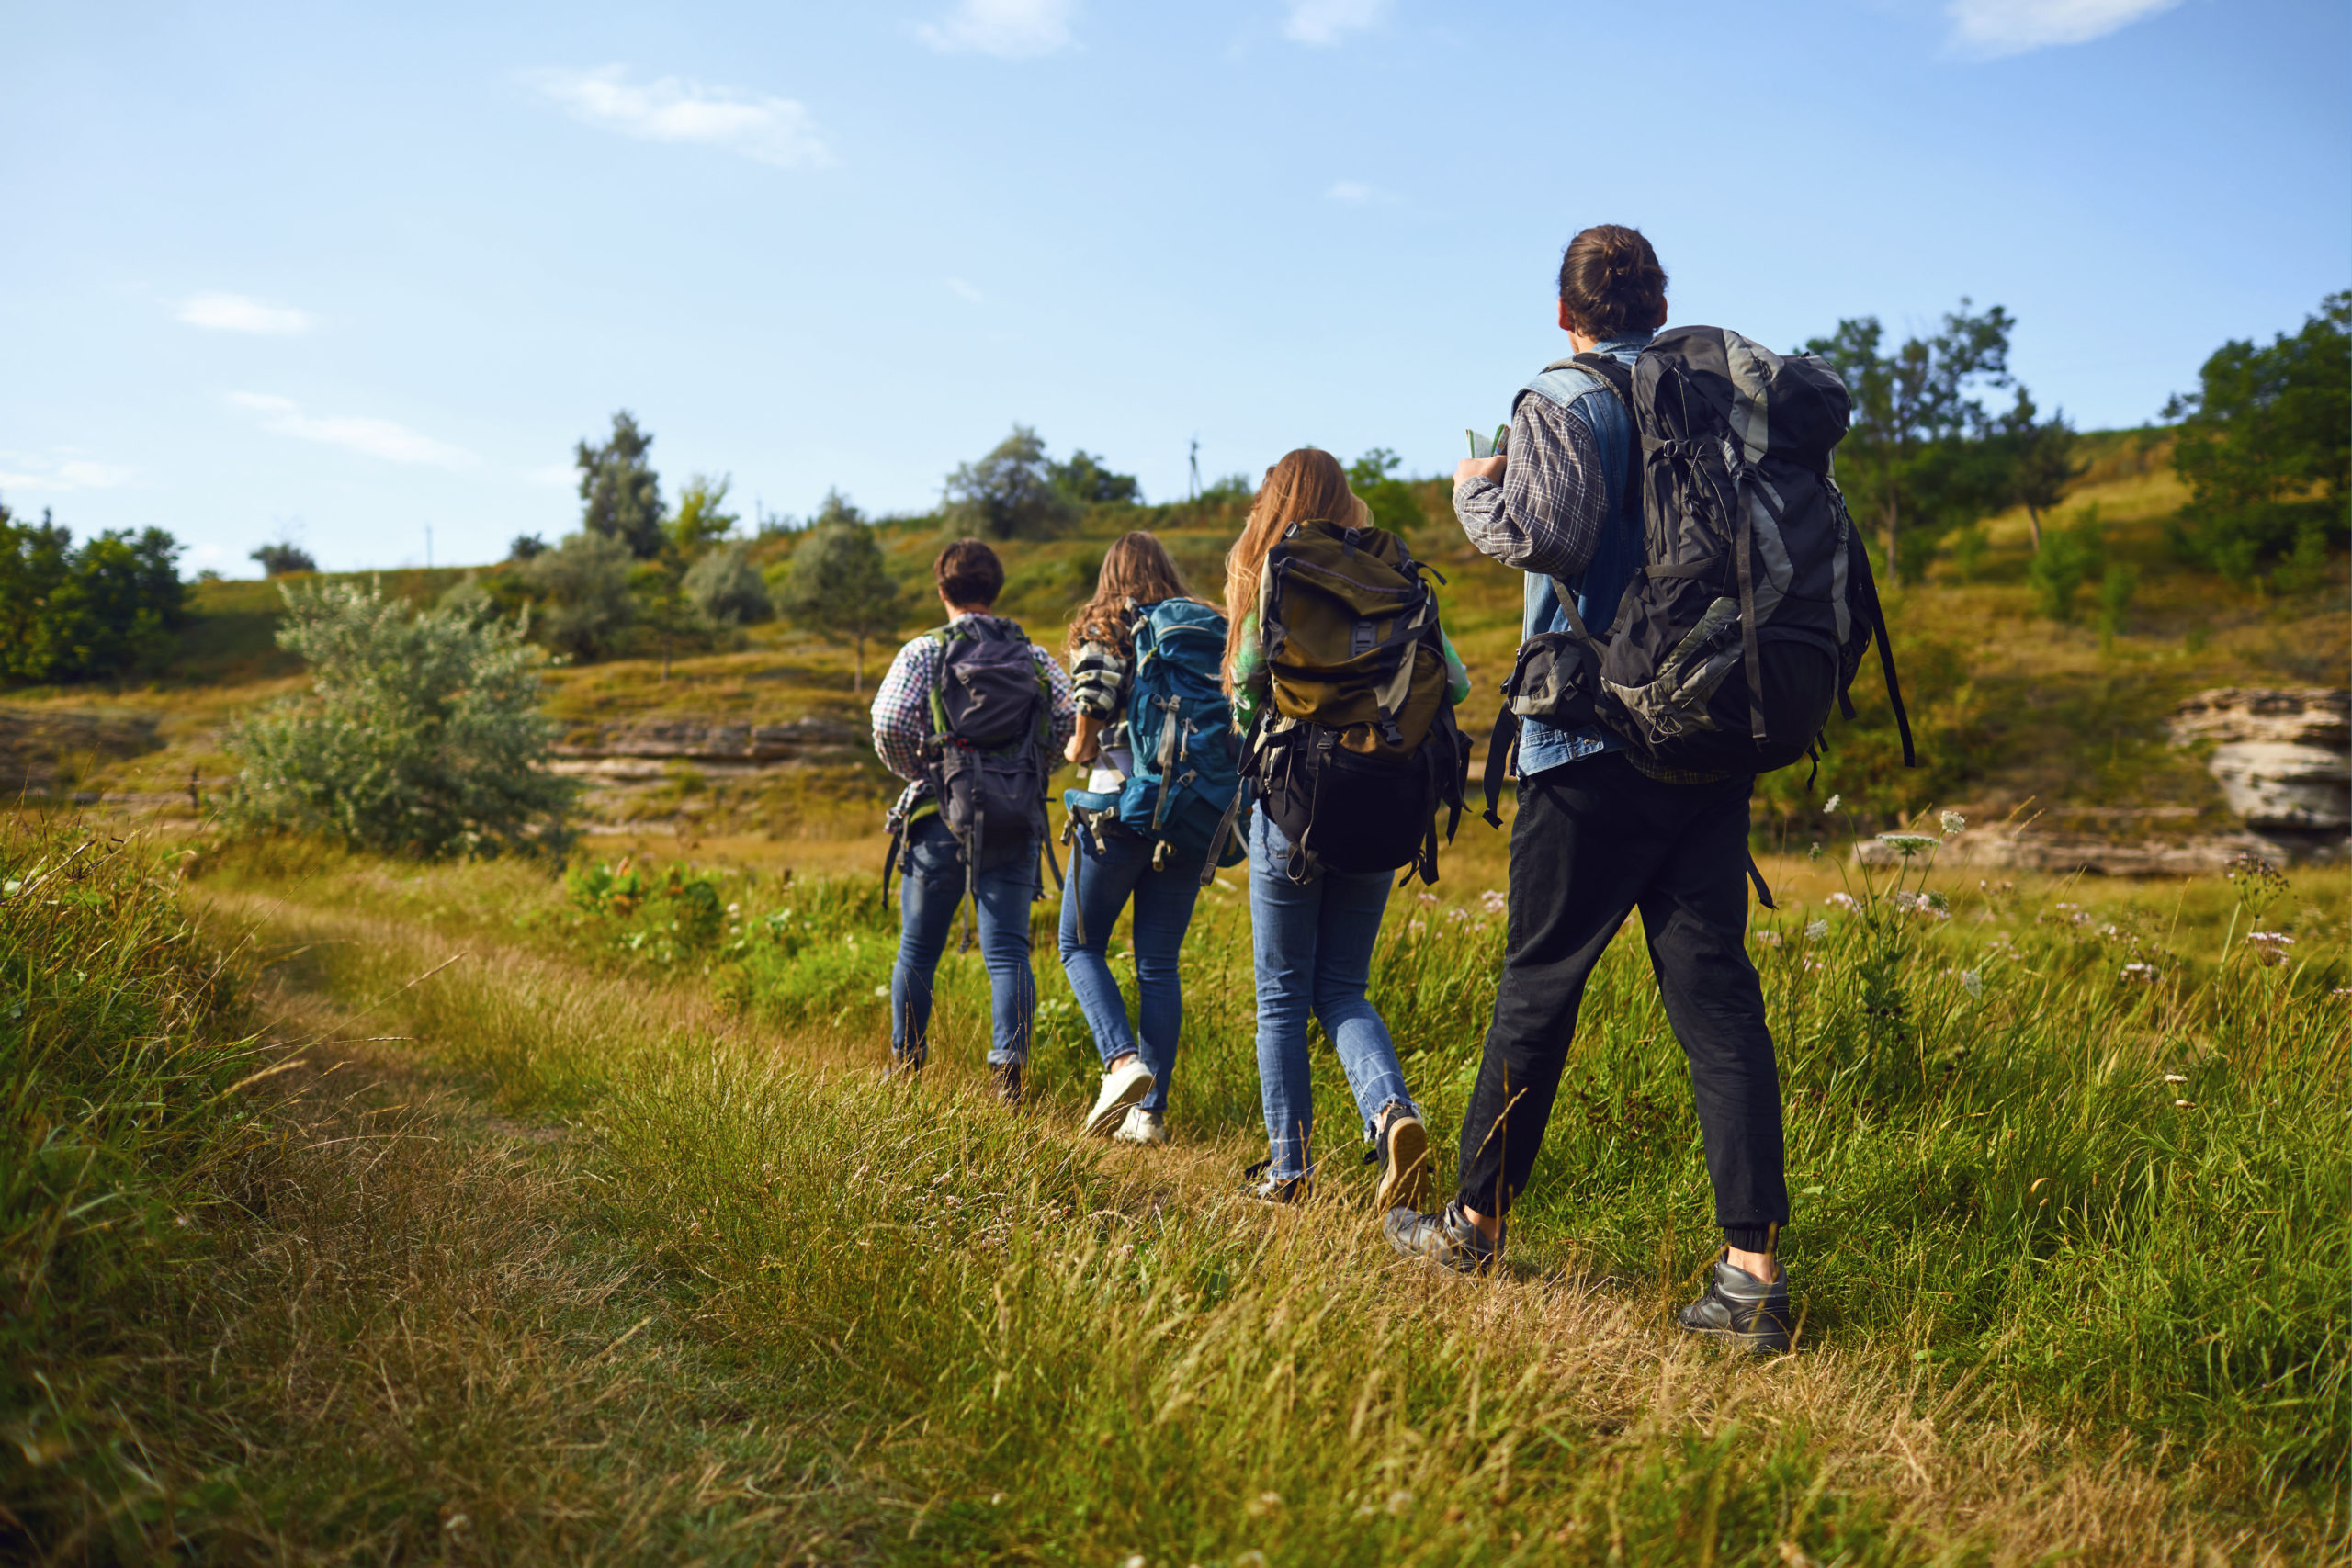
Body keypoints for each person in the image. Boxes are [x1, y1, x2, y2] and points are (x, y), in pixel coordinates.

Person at [1382, 225, 1796, 1353]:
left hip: (1589, 739)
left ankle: (1471, 1224)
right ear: (1657, 304)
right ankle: (1751, 1275)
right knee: (1715, 998)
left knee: (1538, 987)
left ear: (1566, 310)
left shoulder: (1565, 392)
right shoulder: (1711, 399)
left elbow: (1551, 534)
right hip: (1706, 736)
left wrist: (1476, 491)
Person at [1225, 448, 1469, 1207]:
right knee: (1341, 987)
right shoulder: (1390, 572)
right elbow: (1454, 682)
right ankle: (1392, 1111)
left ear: (1276, 499)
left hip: (1296, 809)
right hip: (1382, 800)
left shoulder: (1272, 568)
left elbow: (1240, 688)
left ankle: (1288, 1171)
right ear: (1347, 500)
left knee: (1281, 994)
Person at [871, 538, 1075, 1104]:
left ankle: (906, 1066)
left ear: (943, 590)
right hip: (1014, 817)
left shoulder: (924, 651)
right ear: (996, 591)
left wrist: (925, 774)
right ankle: (1008, 1077)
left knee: (918, 947)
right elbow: (1067, 719)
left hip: (939, 816)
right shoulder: (1032, 657)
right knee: (1008, 949)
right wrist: (1029, 771)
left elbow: (887, 723)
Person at [1059, 532, 1216, 1145]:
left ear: (1110, 574)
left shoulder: (1108, 624)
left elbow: (1092, 701)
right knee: (1158, 963)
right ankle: (1148, 1116)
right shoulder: (1202, 627)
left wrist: (1078, 742)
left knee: (1078, 943)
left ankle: (1122, 1062)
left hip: (1119, 808)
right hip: (1190, 813)